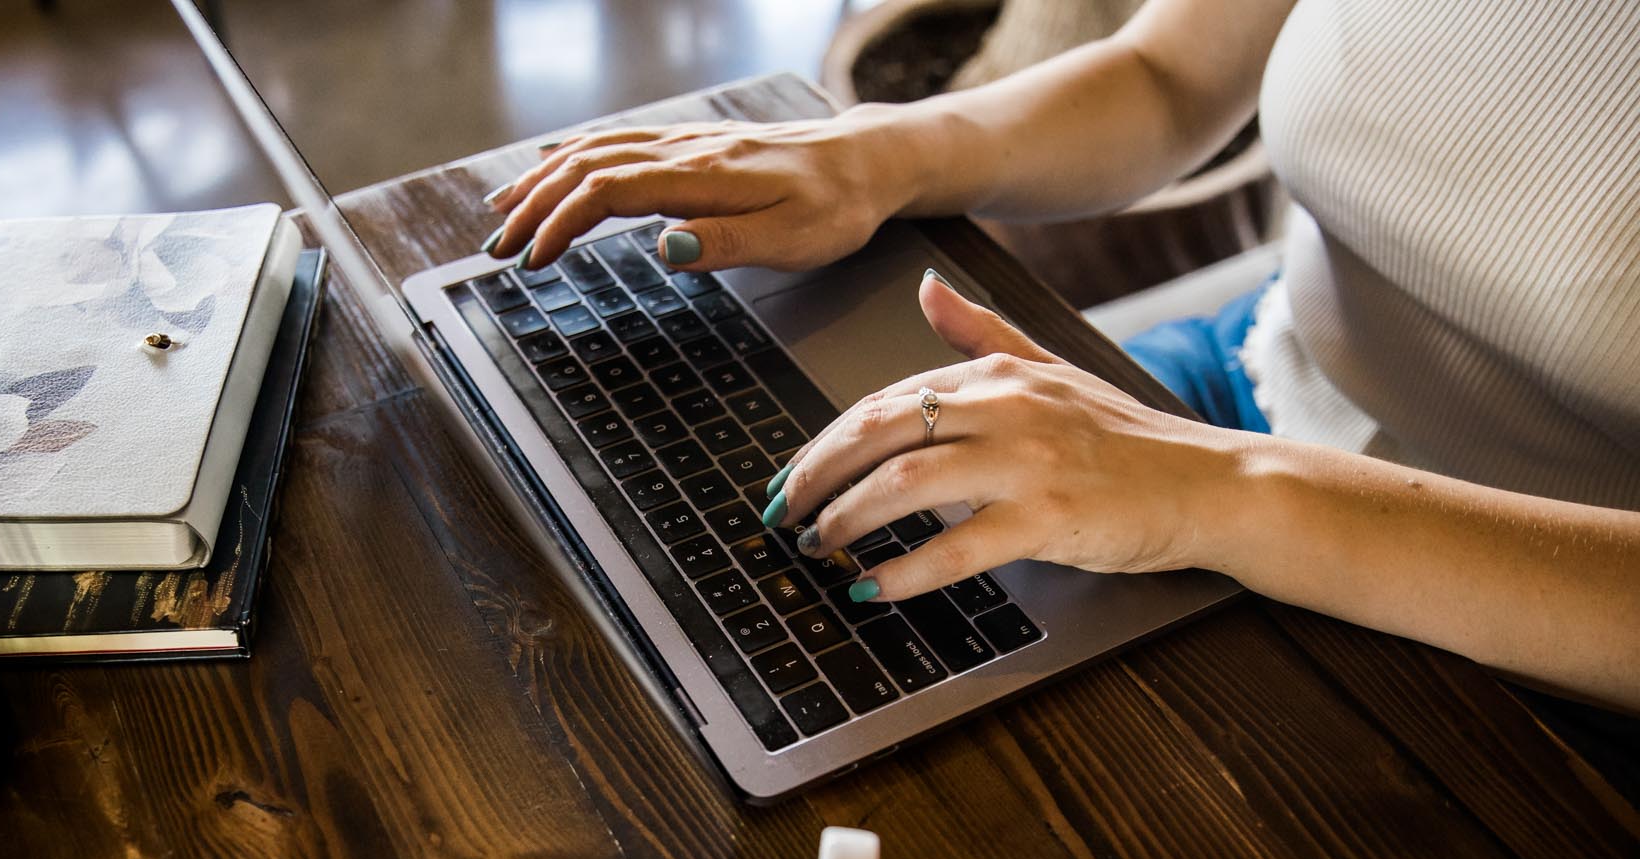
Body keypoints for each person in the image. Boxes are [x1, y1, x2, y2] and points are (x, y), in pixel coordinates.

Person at [476, 0, 1640, 712]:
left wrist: (1217, 489)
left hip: (1535, 648)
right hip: (1239, 389)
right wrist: (874, 156)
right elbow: (1165, 78)